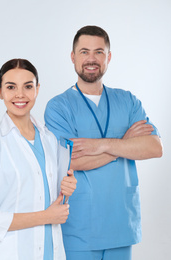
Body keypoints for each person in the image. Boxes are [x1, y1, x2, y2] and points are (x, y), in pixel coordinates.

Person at [44, 25, 163, 260]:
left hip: (121, 223)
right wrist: (125, 144)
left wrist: (101, 145)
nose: (91, 59)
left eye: (99, 52)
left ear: (108, 57)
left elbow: (154, 147)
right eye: (84, 51)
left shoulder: (128, 101)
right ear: (73, 57)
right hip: (79, 226)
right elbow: (69, 160)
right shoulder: (59, 107)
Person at [0, 58, 77, 260]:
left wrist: (67, 188)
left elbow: (49, 199)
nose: (20, 94)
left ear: (37, 89)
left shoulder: (49, 139)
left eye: (28, 86)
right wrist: (44, 217)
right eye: (11, 87)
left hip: (51, 251)